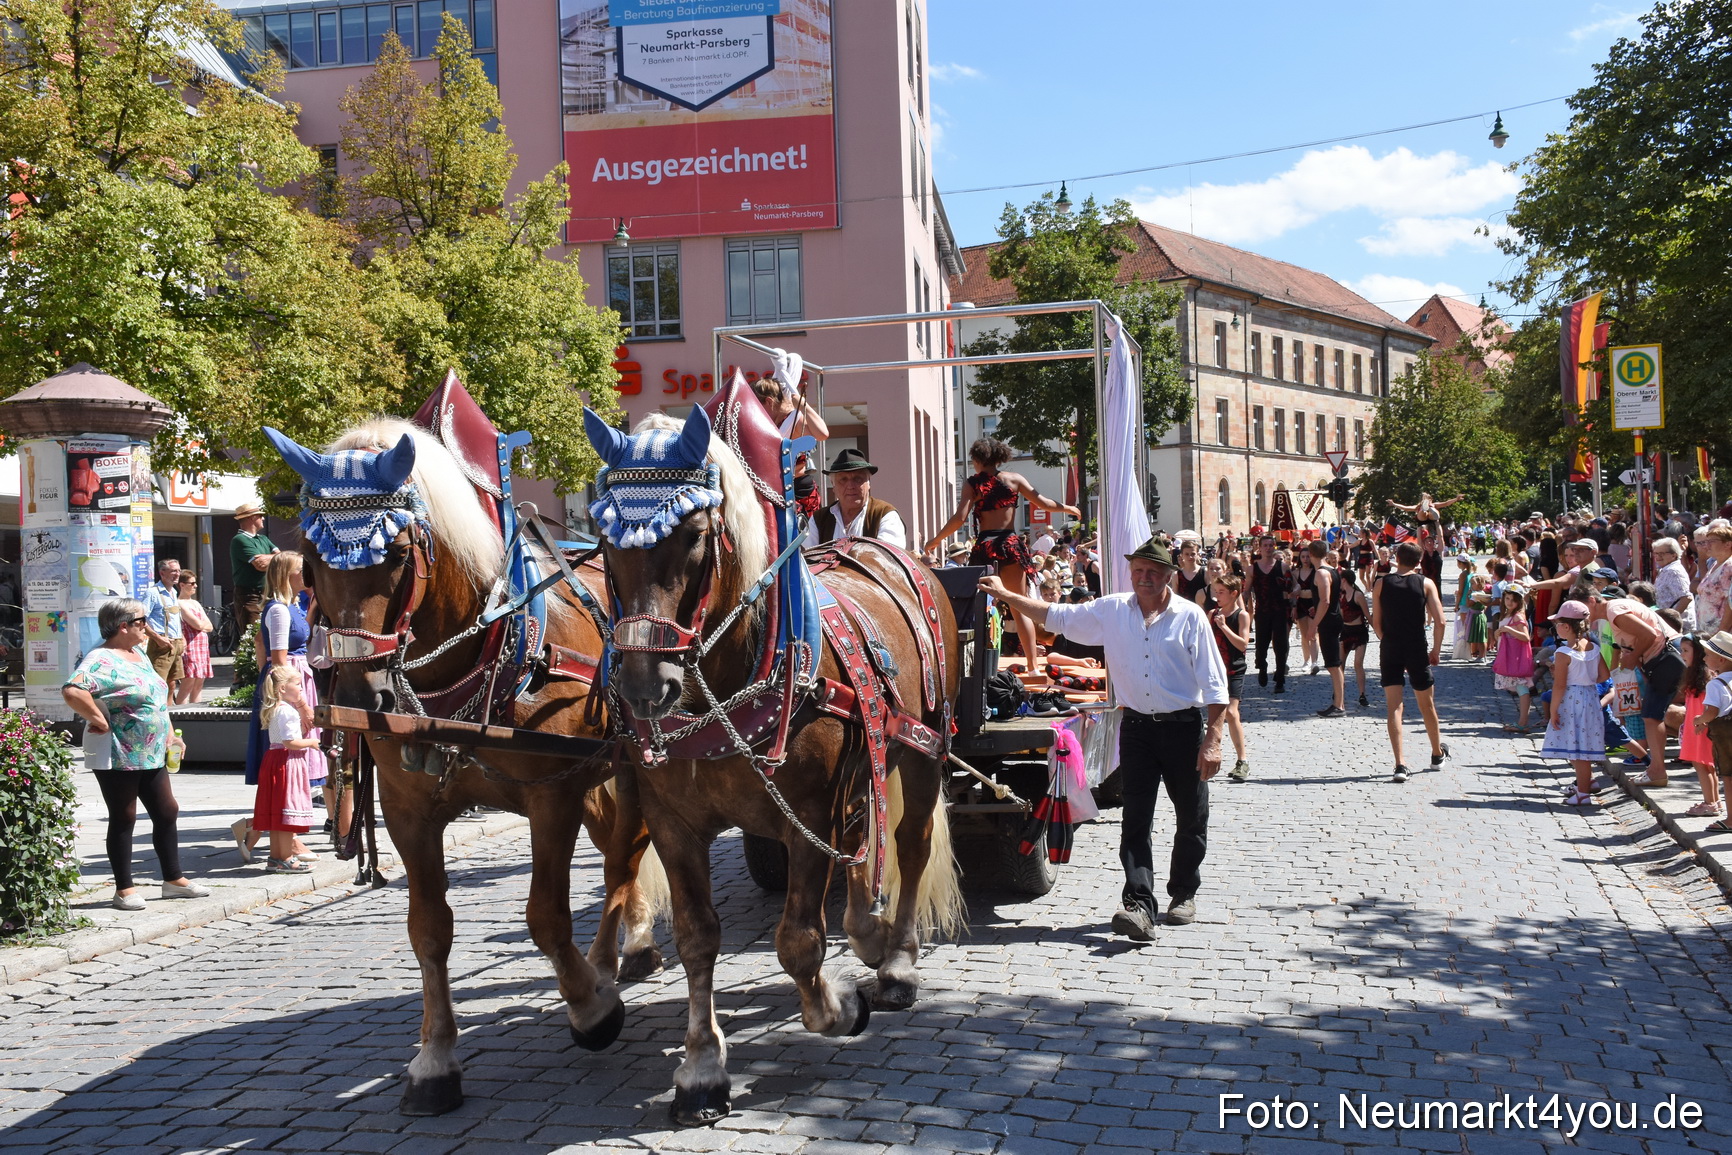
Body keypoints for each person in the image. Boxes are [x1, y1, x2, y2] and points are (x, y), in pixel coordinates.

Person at [980, 538, 1227, 938]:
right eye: (1138, 571)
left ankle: (1183, 892)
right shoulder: (1112, 610)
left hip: (1183, 728)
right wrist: (1007, 596)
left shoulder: (1189, 616)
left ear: (1169, 576)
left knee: (1191, 817)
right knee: (1136, 819)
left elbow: (1215, 685)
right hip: (1137, 729)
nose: (1144, 578)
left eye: (1153, 572)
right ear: (1130, 573)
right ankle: (1138, 904)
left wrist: (1213, 739)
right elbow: (1055, 616)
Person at [61, 599, 210, 911]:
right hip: (119, 750)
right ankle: (124, 889)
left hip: (151, 749)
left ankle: (173, 879)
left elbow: (156, 697)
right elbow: (72, 690)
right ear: (123, 626)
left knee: (167, 810)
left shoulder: (138, 652)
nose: (146, 626)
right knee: (124, 815)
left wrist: (171, 734)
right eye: (141, 621)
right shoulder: (100, 659)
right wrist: (98, 719)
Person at [925, 437, 1080, 660]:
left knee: (979, 605)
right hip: (1009, 545)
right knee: (1020, 606)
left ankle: (978, 662)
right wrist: (1068, 508)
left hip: (985, 546)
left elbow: (960, 518)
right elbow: (1044, 503)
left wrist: (935, 540)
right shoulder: (1014, 479)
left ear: (977, 459)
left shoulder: (972, 483)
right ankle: (1032, 666)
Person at [234, 552, 327, 863]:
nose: (306, 574)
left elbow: (263, 647)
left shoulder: (292, 606)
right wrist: (299, 702)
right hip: (288, 684)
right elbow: (278, 659)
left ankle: (266, 831)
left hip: (293, 681)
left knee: (296, 765)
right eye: (301, 569)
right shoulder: (278, 610)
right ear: (288, 574)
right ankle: (285, 839)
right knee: (288, 759)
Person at [1587, 585, 1682, 788]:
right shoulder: (1614, 613)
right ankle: (1656, 769)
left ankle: (1657, 771)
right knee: (1651, 715)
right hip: (1661, 659)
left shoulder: (1614, 610)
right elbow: (1638, 641)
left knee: (1652, 715)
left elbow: (1649, 634)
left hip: (1667, 657)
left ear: (1592, 601)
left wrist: (1632, 658)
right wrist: (1638, 663)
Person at [1371, 541, 1449, 783]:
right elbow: (1441, 621)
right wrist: (1436, 650)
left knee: (1394, 707)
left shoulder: (1381, 583)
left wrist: (1388, 641)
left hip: (1391, 647)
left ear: (1397, 558)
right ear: (1419, 561)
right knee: (1427, 704)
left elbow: (1376, 622)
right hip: (1416, 647)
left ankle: (1399, 764)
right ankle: (1436, 753)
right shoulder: (1426, 583)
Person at [1541, 601, 1611, 806]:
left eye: (1557, 624)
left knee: (1577, 748)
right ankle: (1587, 783)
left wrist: (1553, 709)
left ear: (1566, 626)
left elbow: (1559, 685)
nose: (1556, 628)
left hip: (1572, 700)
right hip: (1590, 697)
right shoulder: (1593, 648)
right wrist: (1586, 678)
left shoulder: (1563, 653)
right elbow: (1604, 675)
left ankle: (1583, 793)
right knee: (1582, 745)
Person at [750, 361, 830, 521]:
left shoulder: (794, 419)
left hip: (799, 491)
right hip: (773, 490)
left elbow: (822, 434)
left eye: (757, 406)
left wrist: (801, 402)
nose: (754, 411)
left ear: (769, 402)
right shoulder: (770, 424)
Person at [804, 448, 906, 550]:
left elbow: (888, 556)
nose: (850, 486)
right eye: (843, 479)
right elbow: (807, 557)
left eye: (858, 479)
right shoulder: (818, 519)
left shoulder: (885, 515)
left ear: (868, 483)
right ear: (833, 485)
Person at [1209, 574, 1251, 782]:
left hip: (1234, 670)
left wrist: (1224, 626)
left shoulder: (1241, 615)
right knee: (1212, 715)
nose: (1217, 596)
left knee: (1232, 713)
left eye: (1221, 592)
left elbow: (1243, 645)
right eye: (1216, 592)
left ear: (1234, 594)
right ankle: (1206, 756)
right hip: (1214, 671)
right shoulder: (1212, 614)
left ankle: (1242, 760)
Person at [1676, 635, 1719, 818]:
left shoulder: (1705, 677)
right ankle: (1713, 801)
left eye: (1686, 650)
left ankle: (1710, 803)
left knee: (1702, 764)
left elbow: (1709, 704)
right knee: (1707, 765)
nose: (1682, 654)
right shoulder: (1696, 675)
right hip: (1696, 726)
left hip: (1700, 727)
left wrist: (1703, 721)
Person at [1694, 631, 1732, 833]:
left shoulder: (1715, 684)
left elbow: (1712, 712)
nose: (1704, 658)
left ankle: (1731, 819)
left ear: (1721, 660)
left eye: (1707, 655)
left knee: (1729, 776)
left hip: (1726, 737)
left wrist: (1699, 720)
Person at [1305, 540, 1346, 717]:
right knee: (1334, 664)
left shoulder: (1321, 572)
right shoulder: (1332, 570)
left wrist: (1313, 625)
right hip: (1332, 618)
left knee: (1333, 665)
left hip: (1328, 621)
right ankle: (1339, 703)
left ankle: (1339, 705)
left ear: (1311, 554)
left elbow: (1325, 600)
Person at [1246, 535, 1290, 693]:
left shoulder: (1283, 566)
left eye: (1271, 545)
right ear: (1260, 548)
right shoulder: (1252, 569)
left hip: (1280, 611)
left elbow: (1294, 586)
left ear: (1274, 547)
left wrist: (1294, 596)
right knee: (1261, 645)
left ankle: (1280, 679)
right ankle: (1262, 666)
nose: (1268, 548)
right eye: (1265, 545)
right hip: (1262, 612)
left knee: (1281, 646)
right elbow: (1246, 590)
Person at [229, 501, 279, 636]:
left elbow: (282, 559)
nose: (263, 519)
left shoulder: (263, 538)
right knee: (253, 636)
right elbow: (261, 565)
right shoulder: (239, 540)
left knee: (271, 635)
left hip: (268, 594)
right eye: (260, 516)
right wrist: (275, 558)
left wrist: (267, 558)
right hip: (250, 596)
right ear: (252, 518)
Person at [141, 557, 185, 699]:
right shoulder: (152, 593)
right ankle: (157, 711)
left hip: (176, 643)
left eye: (179, 571)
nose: (177, 574)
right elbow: (140, 619)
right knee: (158, 684)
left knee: (172, 684)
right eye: (173, 571)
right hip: (161, 644)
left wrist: (182, 638)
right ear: (162, 573)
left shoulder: (173, 592)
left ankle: (169, 711)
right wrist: (158, 638)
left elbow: (175, 620)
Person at [1493, 588, 1536, 732]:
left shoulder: (1517, 616)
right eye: (1507, 599)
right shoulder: (1507, 614)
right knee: (1520, 688)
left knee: (1522, 687)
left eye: (1513, 600)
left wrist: (1508, 629)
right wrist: (1498, 633)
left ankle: (1523, 722)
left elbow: (1525, 637)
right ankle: (1522, 722)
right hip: (1508, 655)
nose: (1509, 602)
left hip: (1515, 657)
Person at [174, 572, 213, 705]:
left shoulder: (195, 603)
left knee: (199, 682)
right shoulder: (179, 603)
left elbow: (209, 626)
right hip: (190, 646)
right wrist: (201, 625)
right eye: (192, 583)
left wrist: (201, 625)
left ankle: (196, 711)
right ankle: (180, 712)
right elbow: (197, 624)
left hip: (202, 646)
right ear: (182, 585)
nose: (195, 586)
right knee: (188, 682)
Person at [1336, 564, 1372, 708]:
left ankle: (1362, 694)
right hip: (1345, 631)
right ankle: (1339, 692)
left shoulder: (1358, 595)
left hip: (1359, 632)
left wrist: (1379, 633)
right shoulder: (1341, 596)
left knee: (1358, 663)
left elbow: (1367, 615)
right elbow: (1340, 615)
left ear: (1344, 580)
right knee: (1340, 664)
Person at [1652, 537, 1693, 623]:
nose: (1658, 557)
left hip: (1676, 624)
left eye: (1661, 554)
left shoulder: (1673, 571)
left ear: (1673, 555)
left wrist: (1671, 619)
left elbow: (1686, 598)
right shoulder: (1665, 569)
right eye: (1656, 553)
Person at [1387, 492, 1465, 538]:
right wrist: (1394, 504)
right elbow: (1406, 508)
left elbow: (1446, 503)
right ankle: (1424, 509)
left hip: (1431, 518)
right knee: (1422, 512)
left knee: (1433, 511)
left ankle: (1429, 510)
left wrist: (1456, 499)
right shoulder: (1417, 506)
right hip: (1422, 519)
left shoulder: (1434, 504)